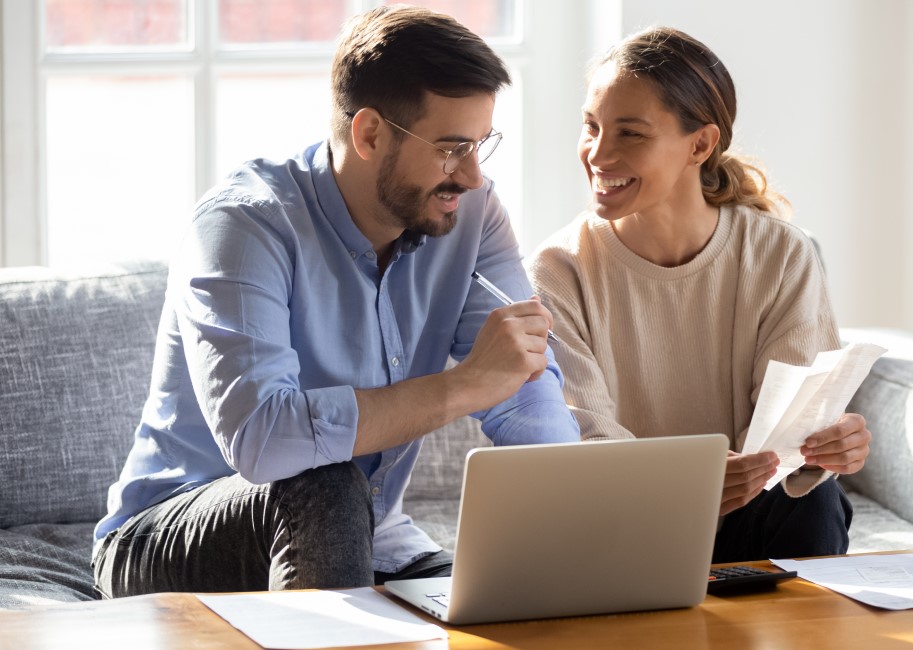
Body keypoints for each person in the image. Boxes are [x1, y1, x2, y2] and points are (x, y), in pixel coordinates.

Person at [92, 5, 577, 597]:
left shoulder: (471, 213)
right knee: (324, 482)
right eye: (452, 148)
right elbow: (264, 440)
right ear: (369, 133)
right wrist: (463, 386)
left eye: (481, 145)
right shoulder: (244, 227)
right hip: (168, 533)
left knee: (515, 603)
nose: (472, 176)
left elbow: (524, 384)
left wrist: (575, 515)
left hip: (372, 537)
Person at [526, 27, 871, 562]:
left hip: (751, 512)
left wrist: (825, 448)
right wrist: (690, 485)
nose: (598, 153)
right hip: (623, 524)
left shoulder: (781, 254)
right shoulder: (557, 270)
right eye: (590, 127)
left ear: (701, 144)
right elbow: (584, 441)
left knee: (814, 502)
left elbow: (789, 434)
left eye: (630, 134)